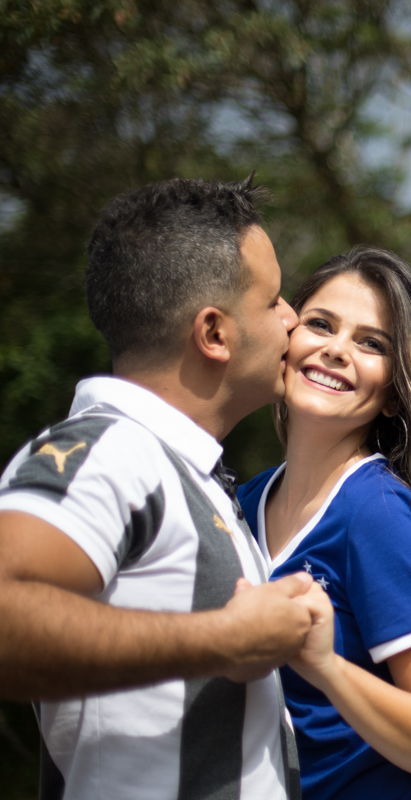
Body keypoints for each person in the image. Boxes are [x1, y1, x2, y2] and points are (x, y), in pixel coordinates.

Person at [0, 176, 328, 800]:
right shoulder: (112, 451)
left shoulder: (186, 474)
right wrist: (227, 640)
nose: (293, 318)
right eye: (274, 300)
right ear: (214, 334)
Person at [237, 246, 411, 799]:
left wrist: (327, 667)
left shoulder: (378, 516)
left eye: (372, 343)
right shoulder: (243, 505)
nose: (337, 350)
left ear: (394, 394)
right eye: (320, 324)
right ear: (286, 339)